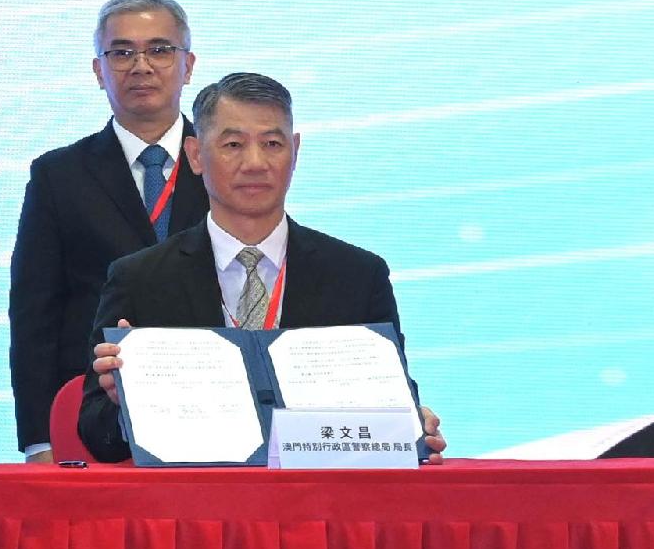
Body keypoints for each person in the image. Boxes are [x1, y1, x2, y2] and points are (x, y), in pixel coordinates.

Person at [80, 71, 445, 462]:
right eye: (233, 144)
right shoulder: (140, 279)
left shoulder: (358, 274)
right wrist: (126, 403)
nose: (255, 163)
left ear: (295, 151)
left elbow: (392, 408)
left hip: (318, 509)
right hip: (195, 512)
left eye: (272, 143)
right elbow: (94, 434)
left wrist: (410, 432)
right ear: (195, 155)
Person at [6, 0, 213, 458]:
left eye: (159, 50)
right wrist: (40, 439)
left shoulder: (226, 161)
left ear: (189, 64)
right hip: (90, 416)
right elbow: (35, 313)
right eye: (121, 52)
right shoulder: (58, 175)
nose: (141, 66)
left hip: (215, 410)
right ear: (99, 71)